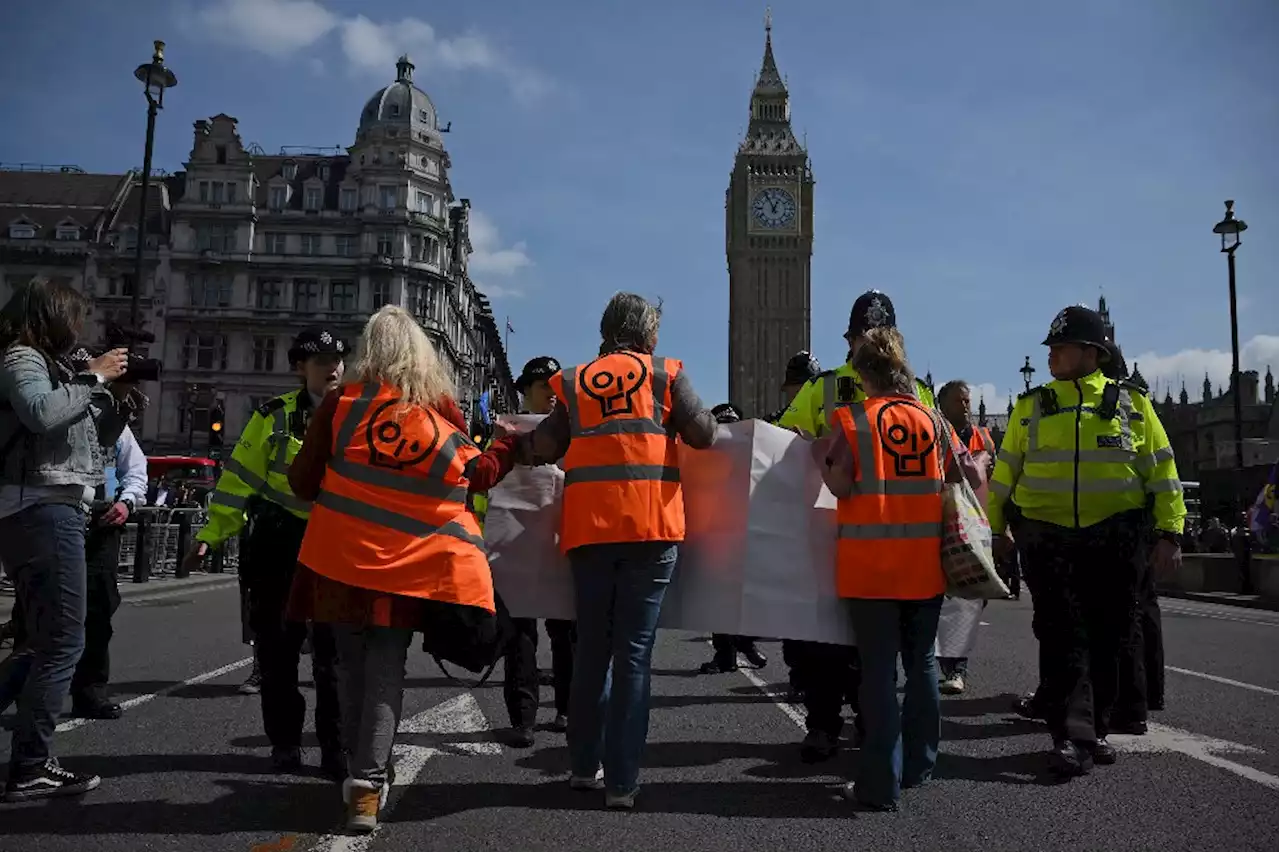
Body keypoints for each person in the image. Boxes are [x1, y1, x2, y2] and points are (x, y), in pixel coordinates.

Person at [287, 305, 519, 832]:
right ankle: (368, 789)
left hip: (340, 560)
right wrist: (508, 445)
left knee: (349, 670)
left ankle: (357, 773)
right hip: (407, 567)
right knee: (386, 673)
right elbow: (475, 473)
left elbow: (302, 483)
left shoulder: (341, 404)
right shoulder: (436, 407)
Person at [522, 292, 717, 809]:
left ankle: (584, 767)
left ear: (606, 331)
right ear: (649, 335)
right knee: (633, 656)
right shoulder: (664, 374)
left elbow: (545, 445)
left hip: (589, 531)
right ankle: (623, 782)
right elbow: (704, 435)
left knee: (591, 653)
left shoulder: (574, 380)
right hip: (651, 530)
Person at [989, 306, 1185, 777]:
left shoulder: (1132, 405)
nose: (1053, 354)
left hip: (1115, 537)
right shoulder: (1030, 405)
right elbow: (1003, 476)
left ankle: (1093, 728)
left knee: (1111, 636)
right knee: (1062, 635)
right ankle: (1072, 735)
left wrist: (1170, 532)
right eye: (1051, 348)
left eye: (1062, 346)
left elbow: (1163, 471)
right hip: (1047, 538)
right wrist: (995, 528)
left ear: (1093, 353)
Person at [778, 291, 938, 765]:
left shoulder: (916, 394)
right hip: (825, 533)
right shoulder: (823, 388)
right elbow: (782, 440)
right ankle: (825, 726)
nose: (870, 345)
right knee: (822, 639)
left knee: (875, 655)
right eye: (863, 337)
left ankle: (874, 734)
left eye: (878, 337)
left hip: (873, 536)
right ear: (848, 340)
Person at [181, 327, 348, 778]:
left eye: (337, 359)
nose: (332, 367)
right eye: (320, 361)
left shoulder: (356, 415)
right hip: (279, 542)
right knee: (278, 651)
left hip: (335, 543)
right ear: (300, 368)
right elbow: (240, 480)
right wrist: (211, 534)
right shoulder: (272, 417)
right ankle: (286, 743)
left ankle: (337, 748)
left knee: (336, 656)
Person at [816, 325, 956, 811]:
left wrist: (823, 462)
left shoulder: (854, 420)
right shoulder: (932, 419)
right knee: (921, 666)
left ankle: (879, 783)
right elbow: (963, 476)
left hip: (871, 566)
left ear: (862, 372)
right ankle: (920, 764)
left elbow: (840, 486)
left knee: (877, 674)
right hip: (925, 565)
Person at [0, 277, 129, 801]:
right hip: (42, 506)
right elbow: (40, 413)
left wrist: (114, 400)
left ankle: (31, 758)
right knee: (64, 642)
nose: (79, 330)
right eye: (73, 318)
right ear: (51, 315)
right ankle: (31, 764)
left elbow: (93, 441)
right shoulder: (21, 359)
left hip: (55, 506)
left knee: (39, 640)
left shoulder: (56, 369)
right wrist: (93, 376)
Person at [484, 356, 578, 747]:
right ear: (525, 391)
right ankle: (523, 718)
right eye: (545, 387)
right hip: (515, 547)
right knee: (520, 634)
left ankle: (567, 708)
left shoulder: (575, 432)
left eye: (558, 389)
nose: (553, 396)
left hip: (560, 540)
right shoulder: (504, 431)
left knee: (565, 630)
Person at [698, 402, 768, 674]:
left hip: (745, 537)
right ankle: (727, 653)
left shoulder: (752, 456)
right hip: (715, 537)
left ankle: (744, 642)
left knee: (745, 597)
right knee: (719, 598)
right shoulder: (704, 456)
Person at [933, 380, 993, 695]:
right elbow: (962, 473)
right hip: (944, 524)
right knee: (952, 599)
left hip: (978, 528)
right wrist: (979, 464)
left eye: (968, 401)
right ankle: (952, 667)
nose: (966, 406)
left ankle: (953, 665)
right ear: (943, 405)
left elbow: (996, 485)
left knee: (972, 598)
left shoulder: (984, 436)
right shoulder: (935, 430)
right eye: (959, 401)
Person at [770, 352, 822, 701]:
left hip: (823, 525)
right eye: (796, 388)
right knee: (793, 608)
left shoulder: (831, 420)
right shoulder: (772, 426)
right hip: (787, 528)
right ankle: (800, 673)